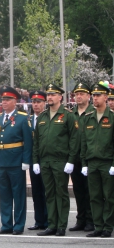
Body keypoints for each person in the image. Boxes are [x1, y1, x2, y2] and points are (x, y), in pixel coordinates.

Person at [33, 84, 78, 236]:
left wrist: (71, 161)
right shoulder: (42, 117)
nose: (50, 97)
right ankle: (52, 224)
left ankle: (61, 226)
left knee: (61, 194)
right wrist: (35, 161)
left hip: (60, 161)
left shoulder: (68, 116)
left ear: (60, 97)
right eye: (49, 94)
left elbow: (74, 140)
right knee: (49, 194)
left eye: (53, 94)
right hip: (45, 161)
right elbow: (36, 142)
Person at [0, 86, 32, 235]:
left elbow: (28, 141)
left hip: (16, 161)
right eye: (3, 100)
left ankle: (18, 225)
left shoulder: (22, 118)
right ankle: (6, 224)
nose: (4, 102)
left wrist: (26, 160)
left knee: (18, 195)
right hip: (1, 161)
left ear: (15, 101)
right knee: (4, 195)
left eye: (8, 100)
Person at [80, 82, 114, 238]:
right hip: (92, 163)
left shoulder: (112, 117)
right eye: (93, 95)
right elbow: (84, 143)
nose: (95, 98)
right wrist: (84, 163)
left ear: (106, 97)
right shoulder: (89, 118)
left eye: (98, 95)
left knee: (109, 196)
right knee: (95, 196)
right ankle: (98, 226)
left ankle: (108, 226)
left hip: (107, 163)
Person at [68, 83, 94, 232]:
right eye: (76, 94)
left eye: (82, 94)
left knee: (90, 190)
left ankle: (91, 220)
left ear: (88, 96)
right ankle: (81, 219)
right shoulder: (71, 114)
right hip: (75, 158)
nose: (78, 96)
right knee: (78, 190)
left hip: (89, 158)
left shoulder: (93, 112)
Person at [28, 91, 48, 231]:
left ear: (44, 103)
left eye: (39, 102)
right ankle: (39, 221)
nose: (36, 105)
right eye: (34, 102)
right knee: (36, 192)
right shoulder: (27, 120)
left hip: (46, 159)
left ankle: (49, 220)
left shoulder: (48, 118)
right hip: (32, 161)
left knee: (47, 191)